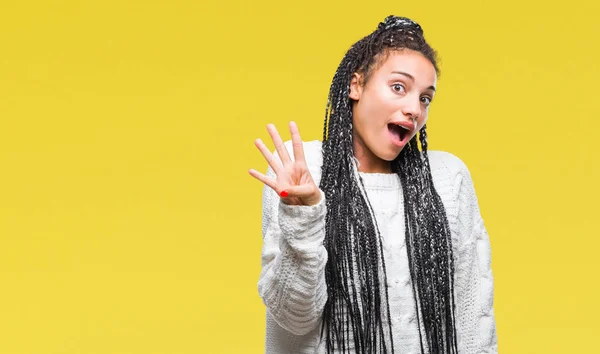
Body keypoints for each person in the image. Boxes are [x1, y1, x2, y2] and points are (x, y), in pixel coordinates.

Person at [248, 15, 497, 354]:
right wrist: (302, 216)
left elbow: (473, 319)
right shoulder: (303, 169)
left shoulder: (447, 178)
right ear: (356, 85)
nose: (414, 109)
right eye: (399, 87)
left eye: (425, 98)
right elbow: (293, 317)